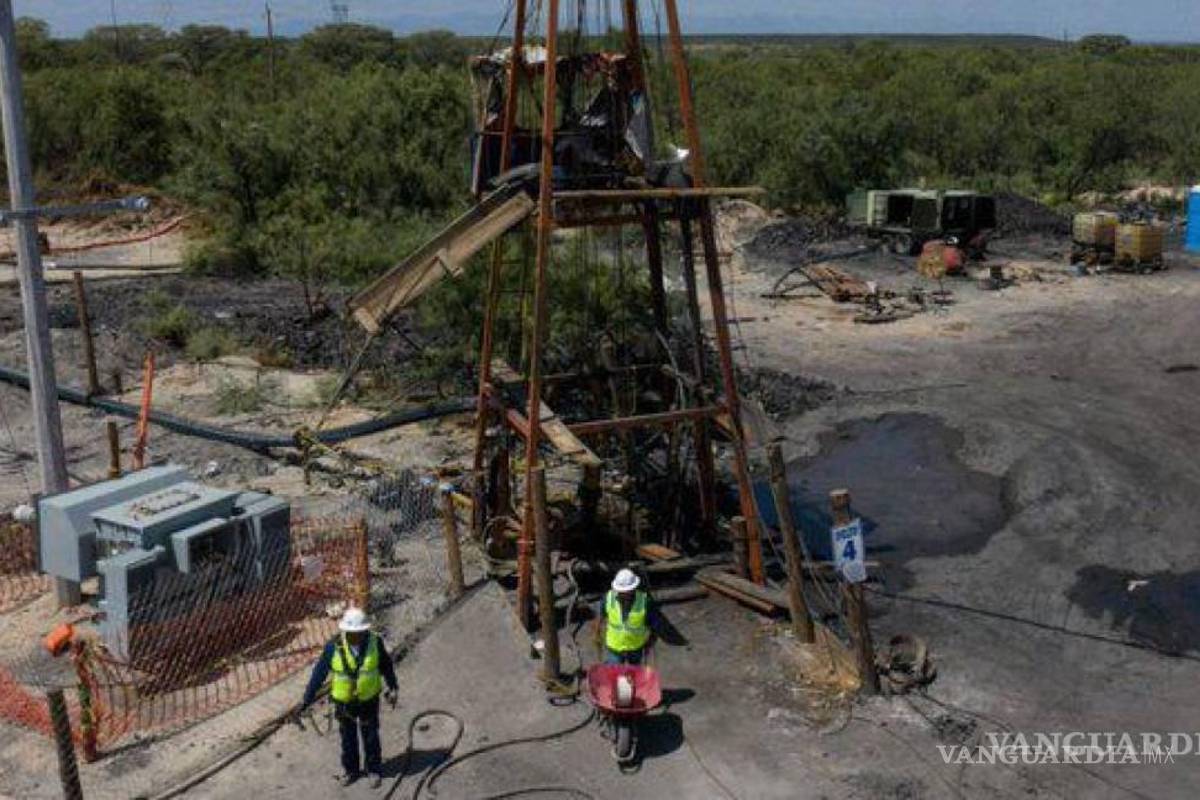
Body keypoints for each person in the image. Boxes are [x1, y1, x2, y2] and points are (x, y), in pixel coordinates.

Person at [302, 607, 398, 788]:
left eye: (359, 633)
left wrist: (393, 686)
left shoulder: (375, 642)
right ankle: (351, 770)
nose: (355, 637)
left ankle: (374, 769)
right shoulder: (333, 647)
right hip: (344, 703)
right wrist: (307, 700)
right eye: (351, 633)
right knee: (348, 738)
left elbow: (386, 665)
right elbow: (319, 674)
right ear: (344, 630)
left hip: (368, 700)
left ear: (365, 630)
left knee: (370, 736)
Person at [598, 568, 656, 665]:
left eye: (627, 591)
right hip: (615, 646)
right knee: (614, 673)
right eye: (621, 591)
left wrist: (649, 644)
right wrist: (597, 636)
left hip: (636, 647)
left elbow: (653, 625)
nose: (624, 594)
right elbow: (600, 617)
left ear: (634, 589)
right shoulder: (608, 598)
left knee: (633, 673)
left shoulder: (645, 601)